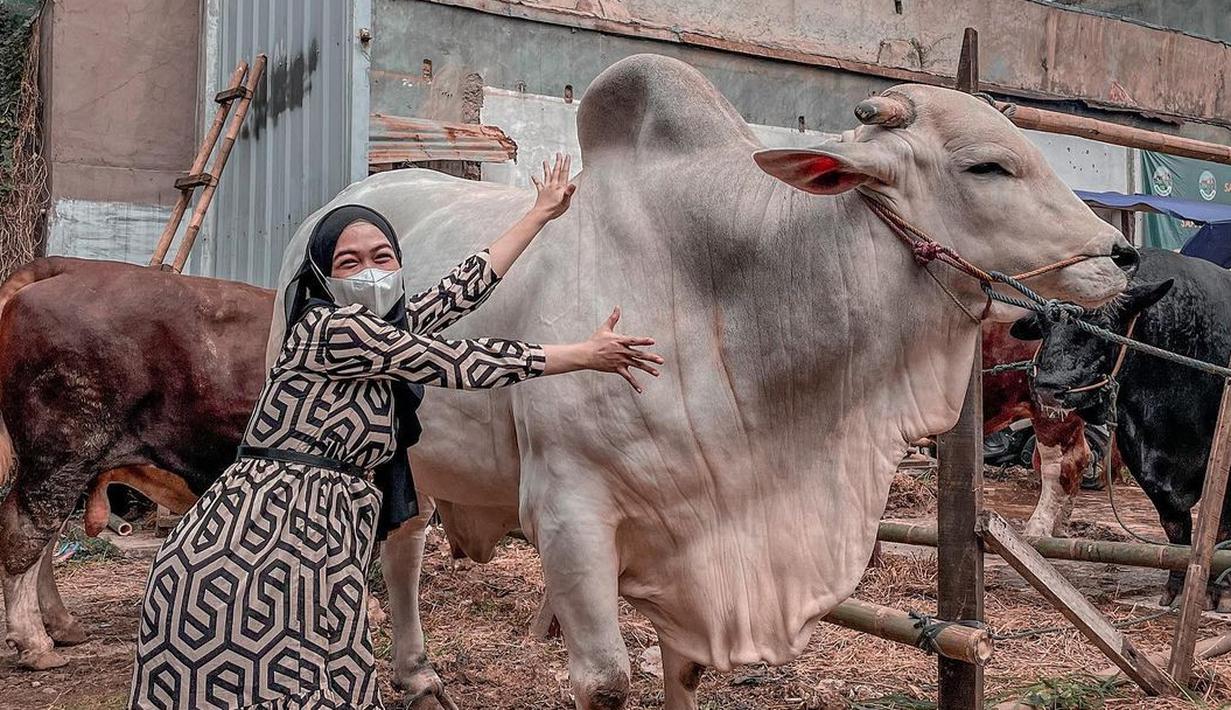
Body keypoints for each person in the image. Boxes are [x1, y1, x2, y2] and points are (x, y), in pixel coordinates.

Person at [128, 154, 662, 709]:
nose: (372, 273)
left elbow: (463, 288)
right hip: (263, 543)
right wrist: (583, 354)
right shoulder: (331, 329)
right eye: (350, 262)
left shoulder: (381, 330)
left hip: (320, 533)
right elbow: (456, 362)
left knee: (318, 675)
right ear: (322, 276)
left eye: (383, 257)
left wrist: (540, 214)